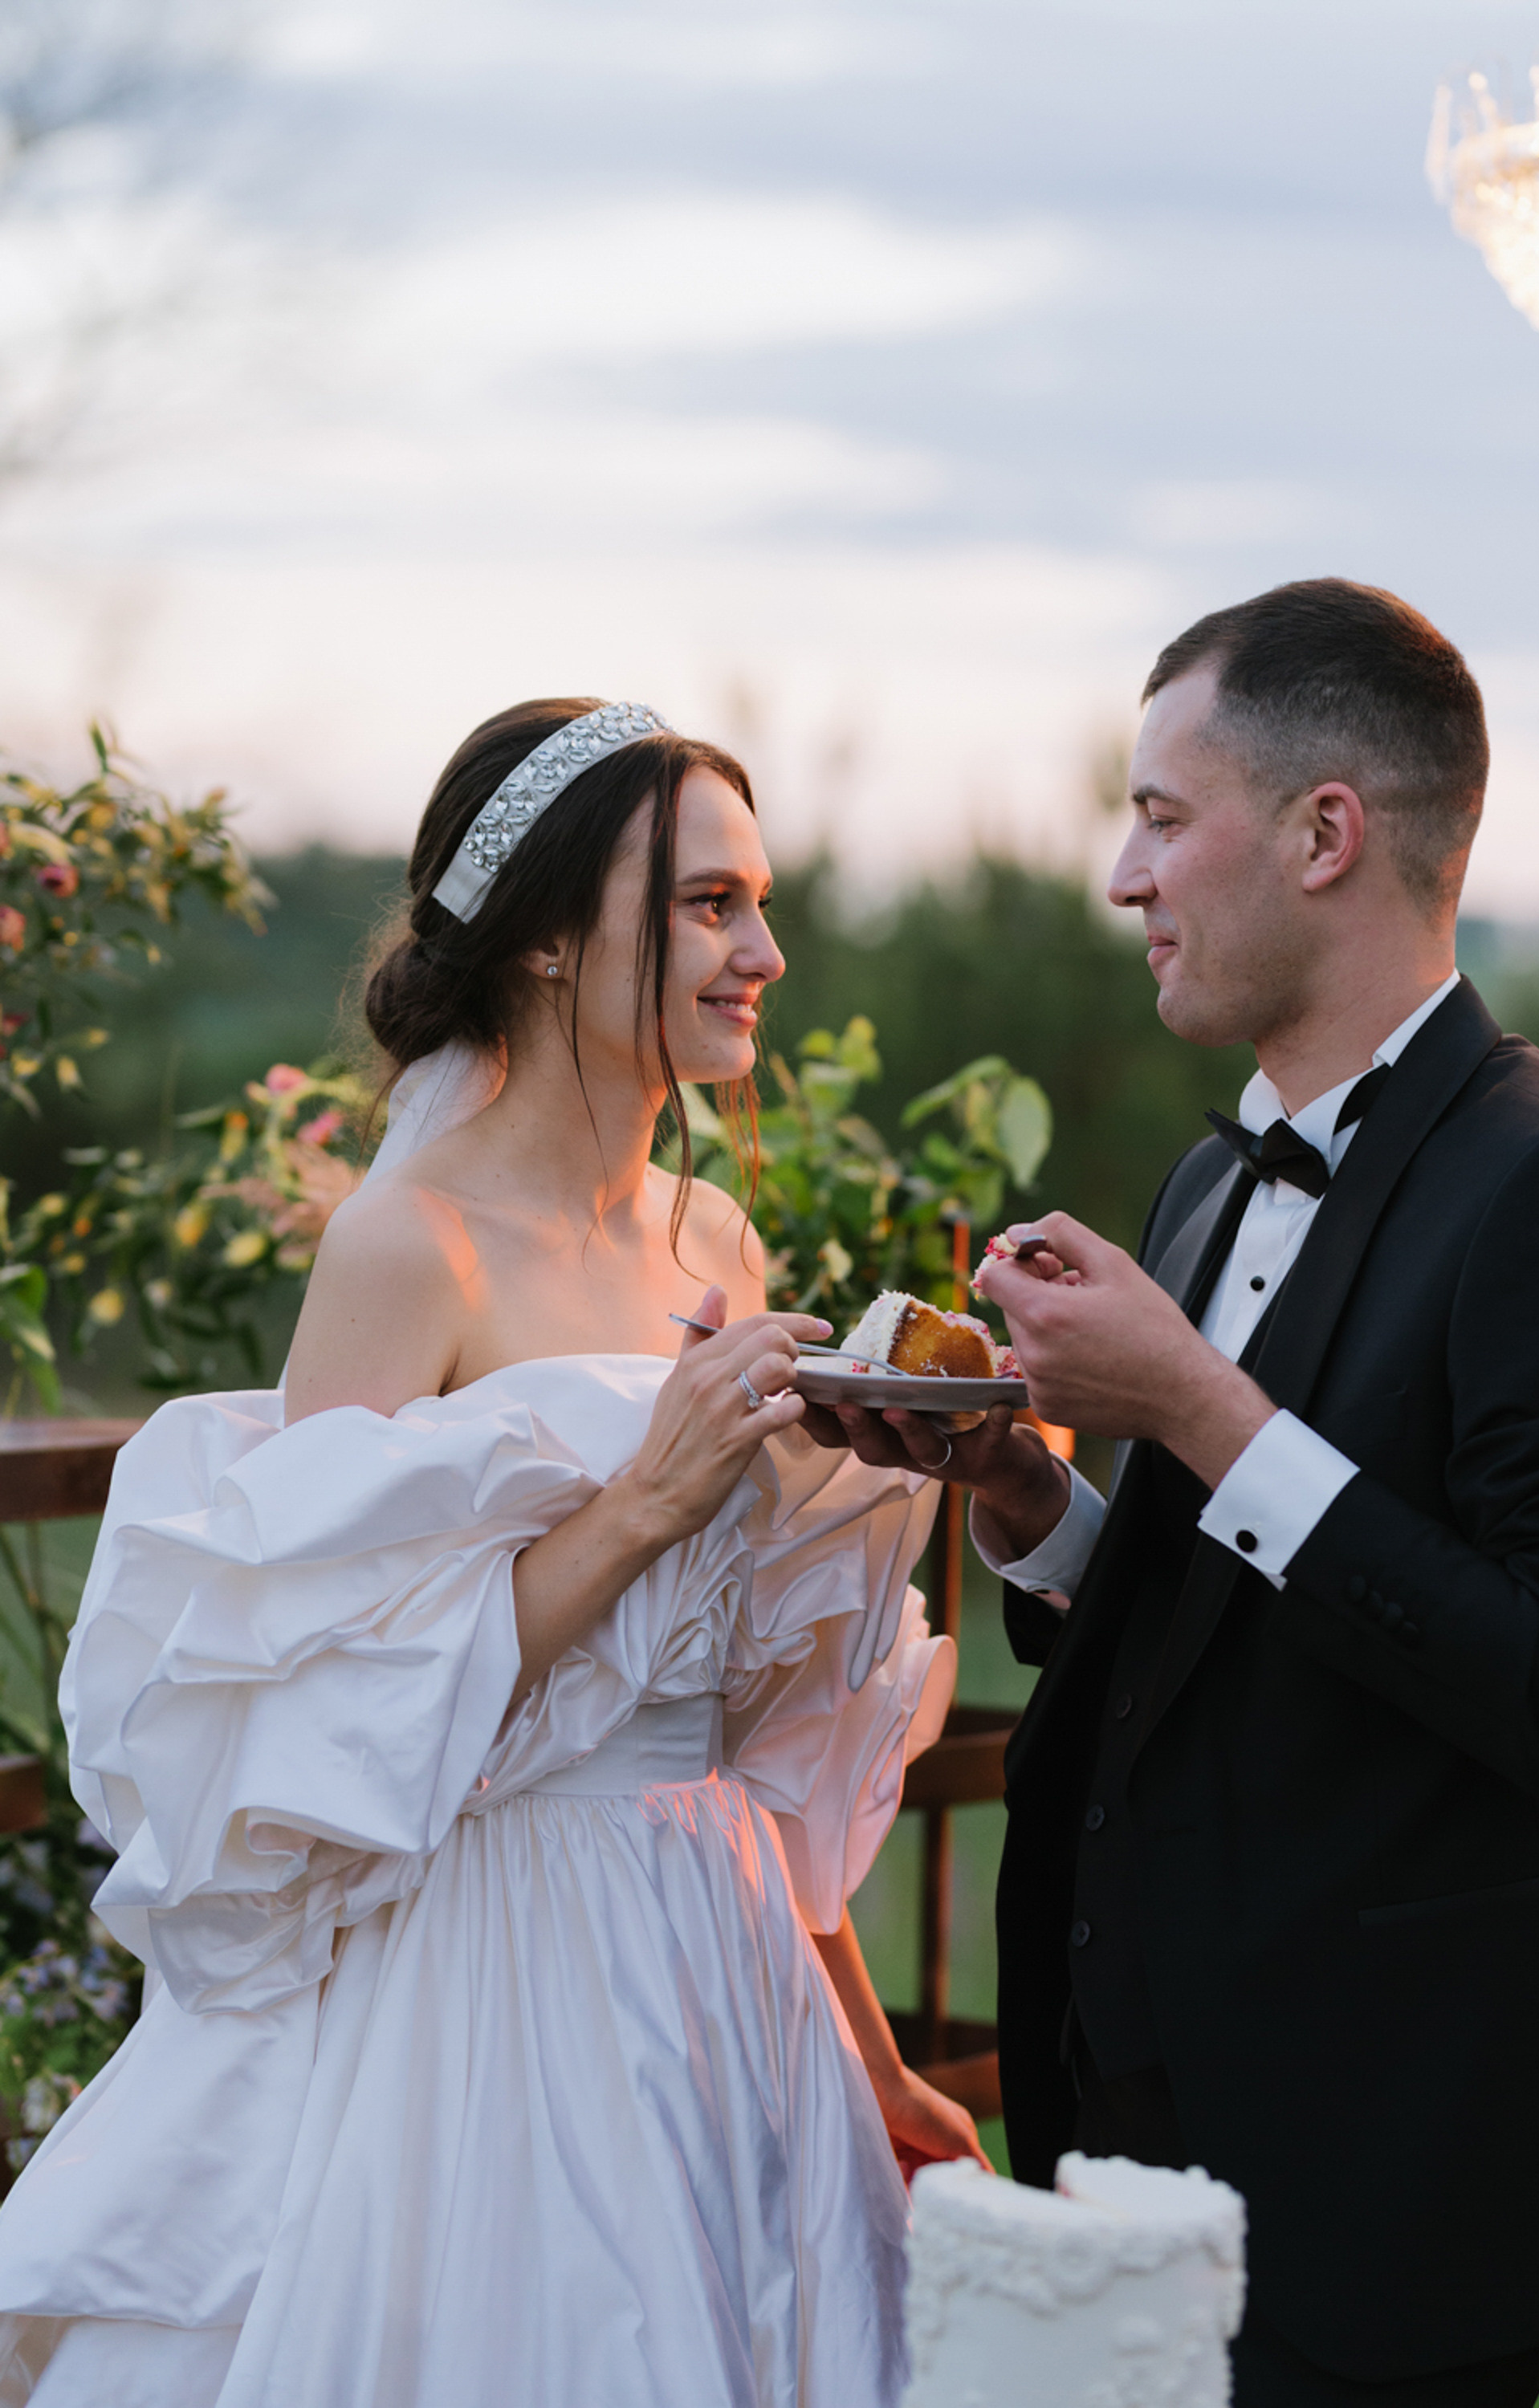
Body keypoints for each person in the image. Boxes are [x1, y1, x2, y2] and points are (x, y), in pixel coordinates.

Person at [0, 697, 985, 2408]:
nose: (760, 950)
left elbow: (745, 1720)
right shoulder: (410, 1246)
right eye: (704, 905)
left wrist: (871, 2057)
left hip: (725, 1956)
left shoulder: (715, 1236)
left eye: (757, 902)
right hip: (497, 1961)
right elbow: (326, 1714)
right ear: (540, 936)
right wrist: (641, 1502)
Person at [815, 582, 1539, 2407]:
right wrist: (1026, 1487)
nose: (1120, 875)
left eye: (1161, 817)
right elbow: (1225, 1626)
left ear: (1325, 833)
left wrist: (1193, 1404)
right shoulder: (1198, 1182)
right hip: (1127, 2116)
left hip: (1378, 2173)